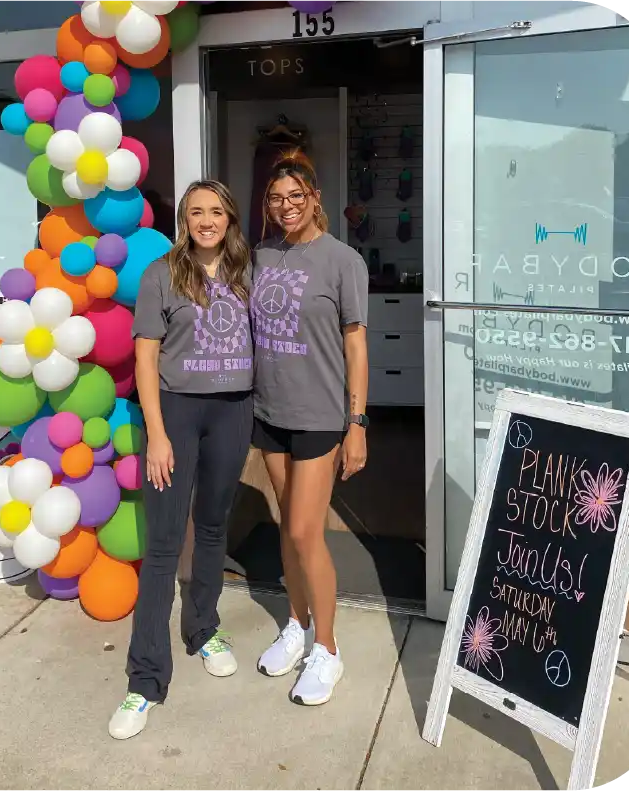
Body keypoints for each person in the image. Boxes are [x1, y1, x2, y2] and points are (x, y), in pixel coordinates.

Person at [109, 181, 254, 740]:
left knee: (214, 527)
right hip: (177, 413)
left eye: (216, 211)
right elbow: (145, 359)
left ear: (229, 217)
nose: (206, 221)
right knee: (165, 543)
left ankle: (203, 628)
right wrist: (158, 433)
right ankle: (145, 679)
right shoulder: (161, 274)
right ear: (184, 220)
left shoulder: (248, 272)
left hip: (232, 412)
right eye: (196, 212)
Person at [250, 150, 369, 706]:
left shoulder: (342, 260)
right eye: (276, 199)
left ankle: (328, 648)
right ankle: (296, 625)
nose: (286, 206)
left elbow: (355, 344)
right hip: (269, 411)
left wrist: (357, 422)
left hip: (321, 415)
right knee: (284, 528)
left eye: (296, 196)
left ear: (315, 197)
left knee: (304, 532)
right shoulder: (261, 256)